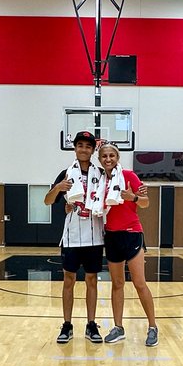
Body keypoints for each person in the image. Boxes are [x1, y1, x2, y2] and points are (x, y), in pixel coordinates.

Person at [43, 130, 105, 344]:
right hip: (72, 236)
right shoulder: (66, 174)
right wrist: (58, 188)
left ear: (93, 149)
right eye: (80, 145)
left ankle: (91, 324)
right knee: (68, 280)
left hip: (95, 236)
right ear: (75, 148)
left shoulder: (102, 174)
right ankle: (67, 324)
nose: (84, 149)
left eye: (88, 146)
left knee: (92, 280)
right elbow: (48, 201)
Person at [97, 142, 158, 346]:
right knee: (117, 284)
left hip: (132, 233)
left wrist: (132, 197)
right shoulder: (98, 180)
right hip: (111, 235)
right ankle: (118, 327)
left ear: (117, 157)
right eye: (104, 156)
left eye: (111, 156)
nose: (108, 159)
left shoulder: (129, 176)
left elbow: (145, 202)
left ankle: (152, 327)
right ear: (100, 159)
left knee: (139, 283)